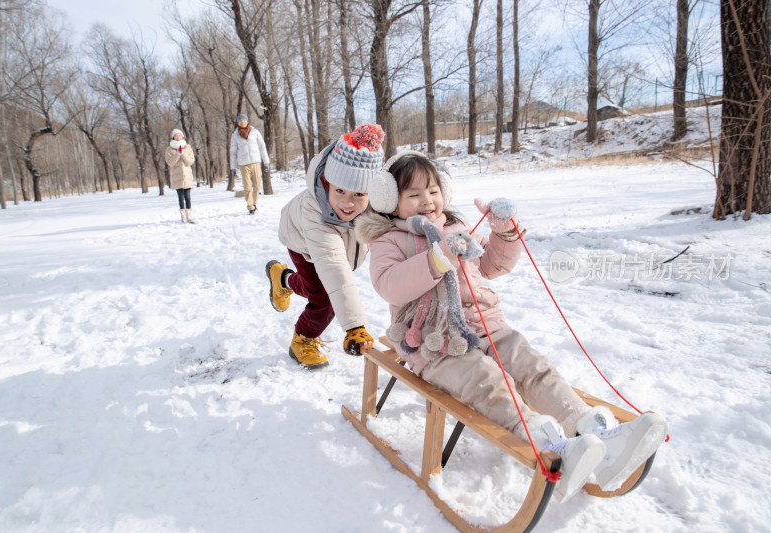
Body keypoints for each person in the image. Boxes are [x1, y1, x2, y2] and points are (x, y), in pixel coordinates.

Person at [357, 150, 668, 503]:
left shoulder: (456, 228)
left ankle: (591, 429)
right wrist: (438, 258)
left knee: (531, 366)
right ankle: (546, 442)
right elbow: (390, 284)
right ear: (388, 201)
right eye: (413, 195)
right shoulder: (387, 241)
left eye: (432, 190)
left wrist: (505, 235)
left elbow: (489, 267)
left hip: (486, 325)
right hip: (436, 342)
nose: (427, 201)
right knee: (486, 380)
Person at [265, 124, 386, 369]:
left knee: (318, 289)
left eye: (359, 195)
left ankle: (283, 280)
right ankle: (303, 339)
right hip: (303, 241)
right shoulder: (315, 211)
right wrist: (355, 326)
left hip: (334, 246)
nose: (348, 203)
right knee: (323, 299)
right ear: (326, 182)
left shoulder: (378, 203)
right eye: (340, 190)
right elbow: (334, 270)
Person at [230, 113, 270, 215]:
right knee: (247, 187)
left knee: (257, 186)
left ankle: (254, 202)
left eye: (244, 120)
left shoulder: (255, 132)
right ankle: (250, 206)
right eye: (240, 120)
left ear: (247, 121)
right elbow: (233, 152)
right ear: (238, 122)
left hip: (256, 162)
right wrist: (233, 167)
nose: (242, 122)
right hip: (243, 164)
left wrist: (266, 162)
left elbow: (262, 147)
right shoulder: (235, 136)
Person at [165, 128, 196, 224]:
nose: (178, 137)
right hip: (177, 177)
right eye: (176, 135)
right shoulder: (169, 149)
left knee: (188, 196)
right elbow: (170, 163)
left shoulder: (187, 147)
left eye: (179, 135)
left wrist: (183, 154)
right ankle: (183, 215)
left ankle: (189, 215)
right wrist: (177, 154)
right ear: (173, 137)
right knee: (181, 196)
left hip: (187, 176)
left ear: (182, 136)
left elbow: (190, 161)